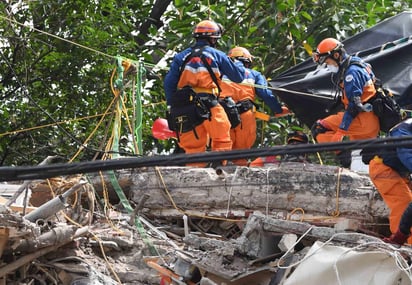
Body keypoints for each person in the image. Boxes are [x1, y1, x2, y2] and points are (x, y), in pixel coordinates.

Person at [163, 20, 245, 167]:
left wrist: (173, 105)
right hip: (208, 103)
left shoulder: (181, 56)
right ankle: (219, 166)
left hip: (185, 106)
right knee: (222, 135)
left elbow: (169, 84)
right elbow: (238, 77)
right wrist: (238, 62)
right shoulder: (217, 55)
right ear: (213, 38)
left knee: (192, 145)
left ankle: (195, 173)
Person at [311, 38, 380, 167]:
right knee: (366, 161)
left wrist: (341, 132)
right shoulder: (357, 63)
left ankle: (342, 154)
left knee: (319, 128)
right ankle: (350, 160)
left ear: (336, 55)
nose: (327, 65)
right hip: (369, 121)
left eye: (327, 61)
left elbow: (354, 105)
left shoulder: (351, 73)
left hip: (362, 120)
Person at [220, 46, 289, 166]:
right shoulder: (254, 74)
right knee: (241, 152)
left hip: (222, 112)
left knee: (222, 146)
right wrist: (278, 109)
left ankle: (220, 165)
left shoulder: (220, 72)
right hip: (244, 113)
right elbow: (265, 94)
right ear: (248, 60)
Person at [361, 118, 412, 245]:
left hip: (401, 171)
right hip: (383, 168)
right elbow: (404, 151)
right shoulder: (403, 130)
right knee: (404, 203)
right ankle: (403, 244)